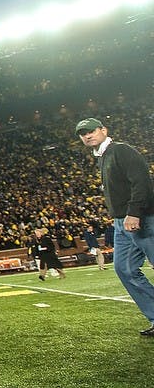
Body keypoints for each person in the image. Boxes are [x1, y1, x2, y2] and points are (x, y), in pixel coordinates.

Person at [76, 117, 154, 336]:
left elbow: (142, 182)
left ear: (103, 130)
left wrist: (133, 212)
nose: (87, 135)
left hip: (142, 219)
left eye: (91, 131)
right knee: (125, 269)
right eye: (82, 134)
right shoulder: (103, 157)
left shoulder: (121, 150)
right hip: (121, 223)